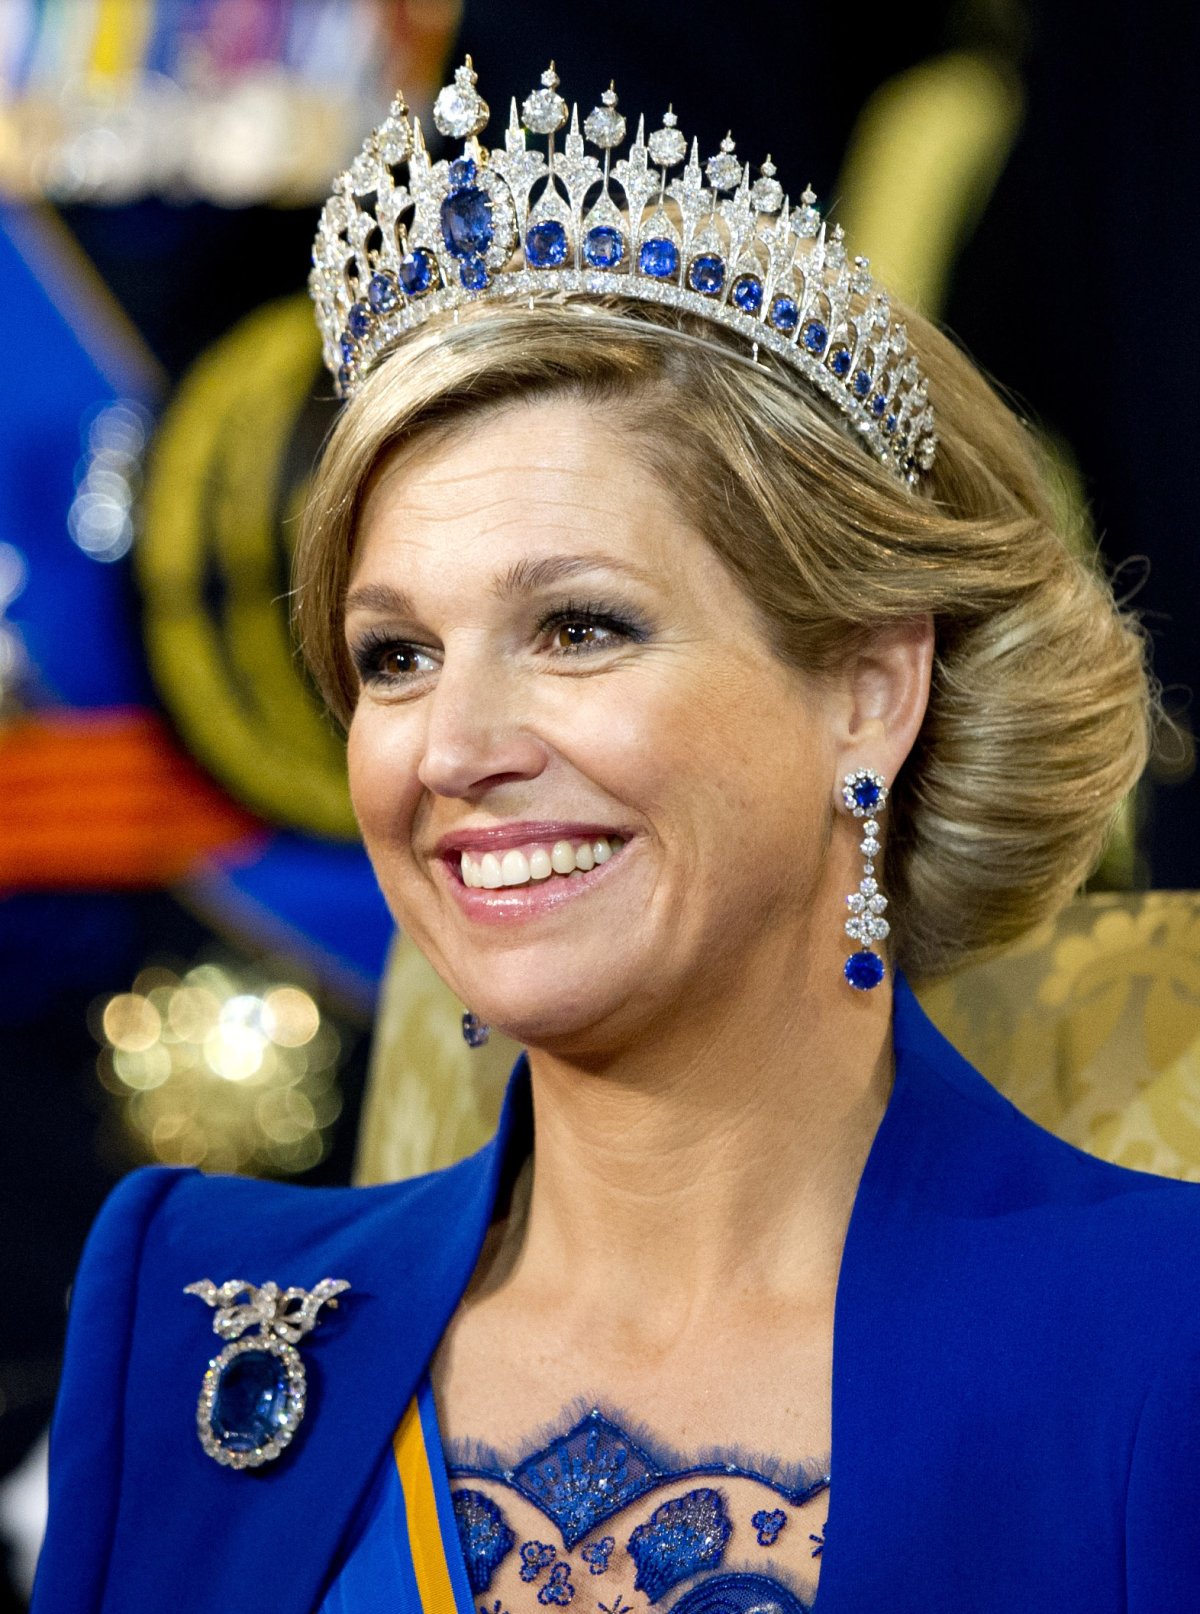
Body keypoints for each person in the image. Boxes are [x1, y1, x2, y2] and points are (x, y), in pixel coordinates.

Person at [33, 57, 1200, 1614]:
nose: (454, 747)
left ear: (867, 691)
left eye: (578, 627)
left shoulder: (1159, 1330)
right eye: (396, 655)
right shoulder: (188, 1306)